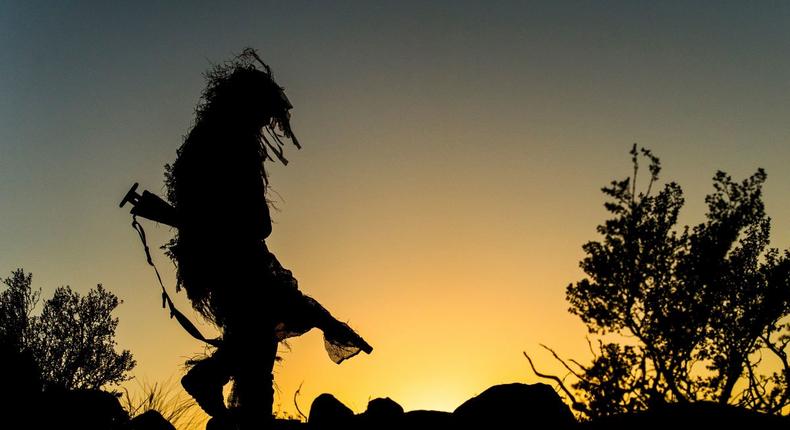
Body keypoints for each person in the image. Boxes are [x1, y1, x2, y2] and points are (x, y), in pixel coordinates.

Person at [163, 49, 372, 429]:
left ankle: (235, 404)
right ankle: (229, 399)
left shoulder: (207, 143)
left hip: (220, 257)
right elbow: (254, 222)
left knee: (256, 336)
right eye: (261, 112)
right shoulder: (231, 145)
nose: (265, 122)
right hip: (235, 258)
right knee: (260, 336)